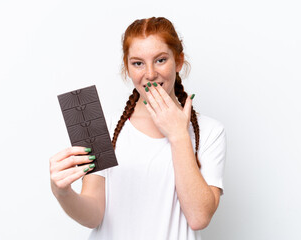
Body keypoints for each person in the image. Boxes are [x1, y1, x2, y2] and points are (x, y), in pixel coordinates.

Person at [50, 17, 226, 240]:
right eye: (138, 63)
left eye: (161, 60)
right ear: (127, 67)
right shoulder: (99, 127)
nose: (150, 74)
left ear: (179, 61)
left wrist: (179, 135)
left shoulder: (211, 131)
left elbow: (199, 218)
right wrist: (62, 192)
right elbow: (93, 215)